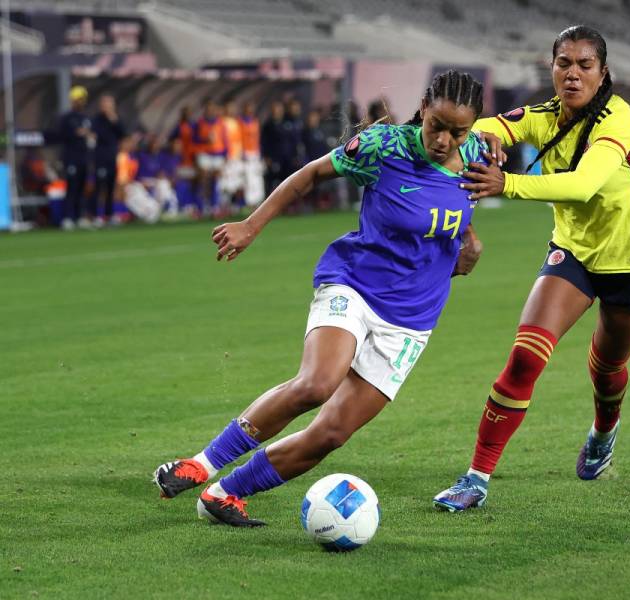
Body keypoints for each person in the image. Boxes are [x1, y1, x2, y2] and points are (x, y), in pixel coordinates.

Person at [154, 70, 488, 527]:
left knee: (330, 434)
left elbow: (459, 206)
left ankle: (224, 494)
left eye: (459, 131)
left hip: (412, 319)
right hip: (354, 284)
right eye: (437, 126)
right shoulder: (381, 147)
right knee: (316, 383)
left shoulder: (480, 156)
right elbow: (310, 174)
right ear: (424, 107)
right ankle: (201, 464)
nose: (446, 140)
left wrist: (468, 241)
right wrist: (251, 226)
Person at [432, 25, 630, 512]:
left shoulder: (619, 121)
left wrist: (508, 183)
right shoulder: (546, 116)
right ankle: (476, 477)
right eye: (564, 63)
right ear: (552, 67)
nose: (573, 73)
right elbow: (491, 125)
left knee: (607, 371)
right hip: (575, 255)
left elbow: (584, 185)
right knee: (525, 357)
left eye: (585, 65)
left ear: (603, 72)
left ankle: (604, 432)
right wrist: (487, 139)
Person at [58, 86, 94, 230]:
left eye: (82, 99)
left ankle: (80, 217)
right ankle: (67, 217)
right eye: (78, 99)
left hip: (83, 158)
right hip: (71, 158)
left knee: (81, 189)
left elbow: (88, 134)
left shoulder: (86, 118)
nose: (81, 102)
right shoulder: (67, 118)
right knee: (71, 188)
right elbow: (66, 134)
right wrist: (80, 133)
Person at [92, 94, 126, 227]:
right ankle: (96, 215)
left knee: (111, 187)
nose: (107, 106)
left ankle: (109, 214)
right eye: (105, 103)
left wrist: (114, 120)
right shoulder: (97, 120)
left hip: (112, 157)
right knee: (99, 187)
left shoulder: (115, 119)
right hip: (101, 157)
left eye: (109, 103)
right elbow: (97, 134)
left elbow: (123, 133)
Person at [240, 102, 265, 206]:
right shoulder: (240, 122)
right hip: (246, 153)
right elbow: (239, 138)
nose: (250, 111)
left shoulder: (255, 122)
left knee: (258, 178)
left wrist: (260, 153)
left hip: (256, 153)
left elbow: (258, 138)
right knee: (249, 179)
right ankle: (250, 202)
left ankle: (258, 201)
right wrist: (242, 152)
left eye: (251, 109)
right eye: (248, 109)